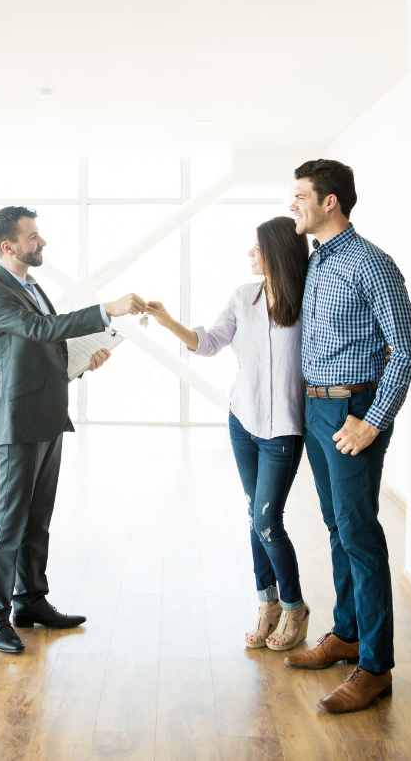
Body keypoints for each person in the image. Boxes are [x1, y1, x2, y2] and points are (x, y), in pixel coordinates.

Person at [0, 205, 146, 653]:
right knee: (10, 522)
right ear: (9, 246)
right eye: (33, 237)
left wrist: (79, 363)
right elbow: (38, 328)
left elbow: (44, 346)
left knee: (37, 520)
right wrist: (105, 310)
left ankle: (30, 601)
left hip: (49, 414)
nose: (42, 242)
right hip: (19, 423)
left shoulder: (34, 287)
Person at [282, 160, 411, 713]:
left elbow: (405, 348)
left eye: (300, 196)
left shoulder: (371, 264)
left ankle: (376, 666)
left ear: (330, 201)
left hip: (354, 412)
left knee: (360, 533)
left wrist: (373, 420)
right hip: (317, 409)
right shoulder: (317, 261)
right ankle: (345, 632)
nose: (293, 205)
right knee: (337, 525)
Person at [146, 216, 311, 652]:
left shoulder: (310, 297)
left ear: (277, 252)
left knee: (266, 520)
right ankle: (267, 604)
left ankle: (295, 607)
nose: (250, 255)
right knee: (255, 517)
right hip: (243, 421)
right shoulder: (243, 296)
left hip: (284, 430)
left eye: (257, 249)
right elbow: (210, 342)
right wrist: (168, 322)